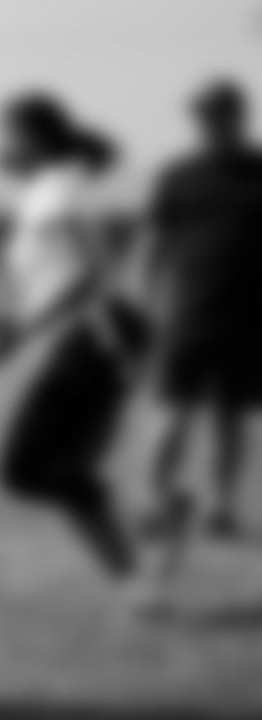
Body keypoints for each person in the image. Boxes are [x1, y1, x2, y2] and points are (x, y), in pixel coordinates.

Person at [0, 93, 151, 600]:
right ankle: (141, 570)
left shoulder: (55, 192)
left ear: (34, 139)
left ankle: (146, 560)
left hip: (95, 337)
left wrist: (19, 330)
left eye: (5, 134)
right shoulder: (51, 188)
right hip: (93, 336)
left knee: (25, 469)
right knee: (65, 471)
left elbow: (86, 275)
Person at [143, 79, 262, 552]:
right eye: (203, 116)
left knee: (231, 418)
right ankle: (154, 497)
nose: (210, 123)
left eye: (219, 114)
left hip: (250, 321)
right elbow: (153, 242)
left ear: (240, 115)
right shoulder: (177, 175)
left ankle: (222, 505)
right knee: (172, 411)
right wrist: (145, 302)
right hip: (187, 315)